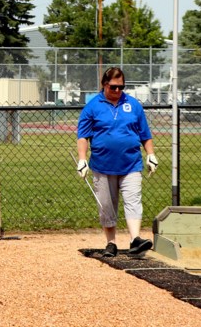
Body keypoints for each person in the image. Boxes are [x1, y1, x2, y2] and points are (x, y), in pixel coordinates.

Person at [76, 67, 157, 258]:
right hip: (103, 166)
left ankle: (135, 239)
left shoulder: (133, 105)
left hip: (131, 164)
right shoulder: (93, 106)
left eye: (121, 87)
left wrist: (151, 154)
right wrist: (82, 159)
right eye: (113, 87)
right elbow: (83, 136)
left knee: (133, 201)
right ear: (105, 85)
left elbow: (145, 134)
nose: (118, 91)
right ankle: (111, 243)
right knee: (106, 205)